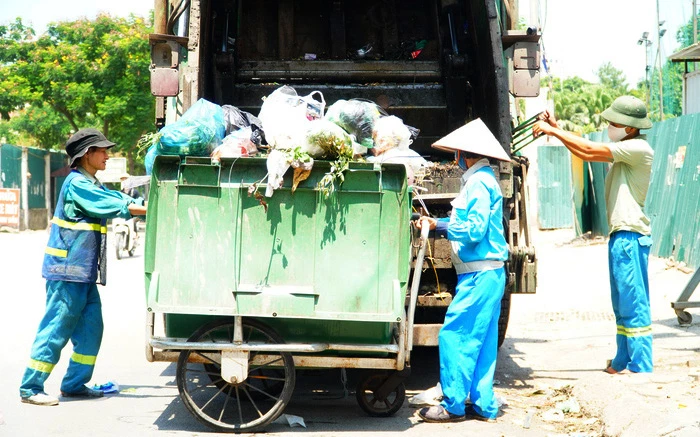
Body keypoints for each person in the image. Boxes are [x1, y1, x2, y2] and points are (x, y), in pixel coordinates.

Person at [19, 128, 148, 406]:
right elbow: (109, 204)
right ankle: (31, 387)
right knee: (56, 329)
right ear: (87, 154)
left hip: (83, 273)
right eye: (102, 151)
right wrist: (149, 208)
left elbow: (114, 198)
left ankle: (75, 384)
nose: (107, 155)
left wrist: (139, 202)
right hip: (66, 271)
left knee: (91, 330)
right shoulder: (78, 184)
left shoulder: (92, 182)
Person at [533, 95, 654, 374]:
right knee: (622, 302)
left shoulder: (638, 148)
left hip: (631, 236)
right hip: (621, 236)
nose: (610, 126)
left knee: (633, 302)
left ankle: (642, 364)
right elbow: (585, 151)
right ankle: (623, 360)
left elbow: (587, 150)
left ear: (630, 127)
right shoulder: (626, 146)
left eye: (614, 122)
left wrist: (553, 131)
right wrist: (558, 127)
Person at [416, 118, 510, 423]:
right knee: (481, 342)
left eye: (457, 152)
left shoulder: (479, 182)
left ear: (464, 153)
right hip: (486, 273)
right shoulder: (481, 179)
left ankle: (454, 405)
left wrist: (439, 225)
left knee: (454, 335)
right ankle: (483, 404)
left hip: (480, 275)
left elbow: (474, 230)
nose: (454, 157)